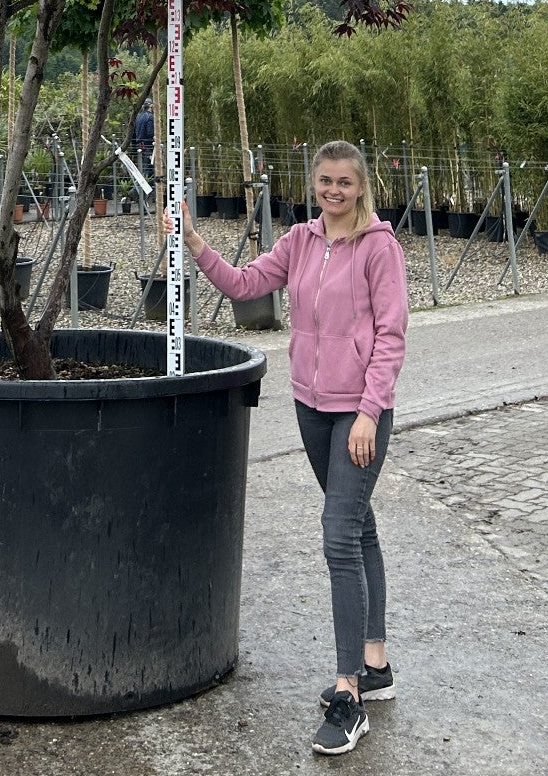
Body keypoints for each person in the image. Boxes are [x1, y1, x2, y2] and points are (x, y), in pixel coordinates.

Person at [181, 140, 408, 757]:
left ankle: (348, 693)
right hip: (311, 407)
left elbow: (390, 337)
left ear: (362, 187)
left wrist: (368, 413)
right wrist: (196, 244)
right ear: (314, 183)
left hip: (359, 414)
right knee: (358, 528)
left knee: (338, 538)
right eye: (325, 181)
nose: (334, 191)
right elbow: (245, 283)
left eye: (345, 182)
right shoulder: (301, 241)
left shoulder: (379, 248)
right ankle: (377, 662)